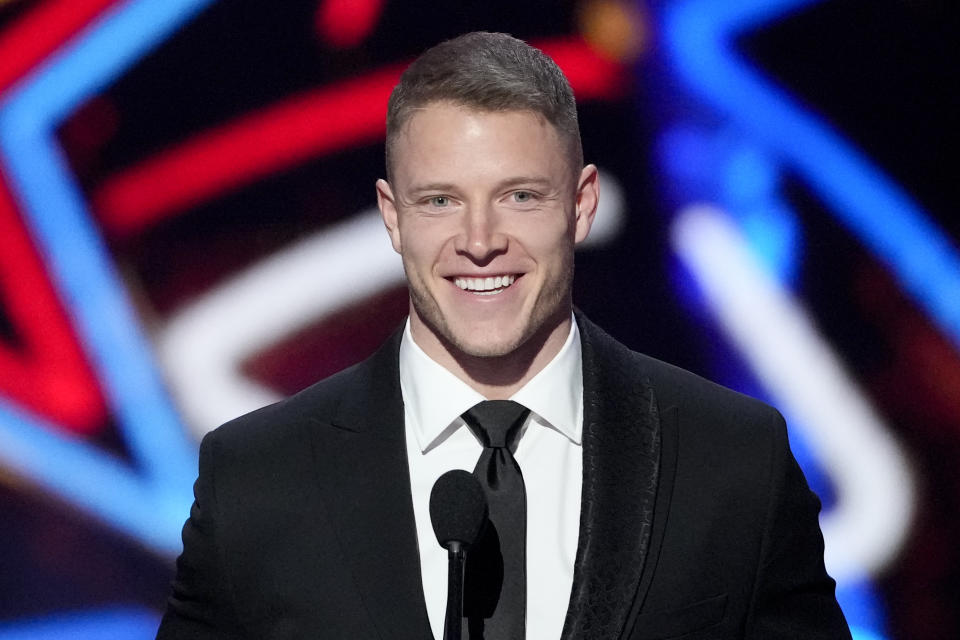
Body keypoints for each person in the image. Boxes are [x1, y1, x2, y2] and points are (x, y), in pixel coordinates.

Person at [156, 32, 851, 640]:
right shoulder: (254, 479)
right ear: (391, 218)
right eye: (440, 201)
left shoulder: (733, 463)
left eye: (520, 196)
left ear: (581, 205)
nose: (480, 241)